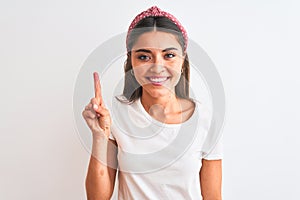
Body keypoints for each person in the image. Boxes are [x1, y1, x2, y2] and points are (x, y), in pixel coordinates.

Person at [82, 6, 223, 200]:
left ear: (183, 60)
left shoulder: (206, 120)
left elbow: (213, 197)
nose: (157, 67)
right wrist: (99, 136)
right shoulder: (115, 115)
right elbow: (97, 198)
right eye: (144, 56)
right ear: (131, 62)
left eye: (169, 55)